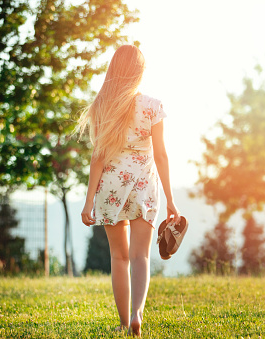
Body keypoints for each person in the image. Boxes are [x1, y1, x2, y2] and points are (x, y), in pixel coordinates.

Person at [76, 44, 180, 337]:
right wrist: (171, 199)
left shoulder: (101, 105)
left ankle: (124, 322)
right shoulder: (153, 106)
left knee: (118, 258)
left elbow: (97, 158)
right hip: (143, 185)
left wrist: (88, 204)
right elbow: (161, 155)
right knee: (140, 256)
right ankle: (137, 314)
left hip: (110, 186)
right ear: (139, 73)